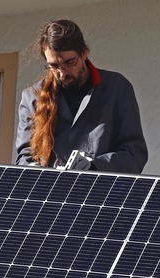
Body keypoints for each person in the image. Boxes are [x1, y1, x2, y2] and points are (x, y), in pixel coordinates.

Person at [15, 19, 148, 173]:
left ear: (84, 53)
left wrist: (95, 166)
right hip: (49, 193)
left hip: (103, 193)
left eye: (69, 62)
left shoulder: (117, 88)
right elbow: (25, 157)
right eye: (54, 66)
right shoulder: (32, 98)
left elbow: (134, 154)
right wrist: (34, 171)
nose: (62, 73)